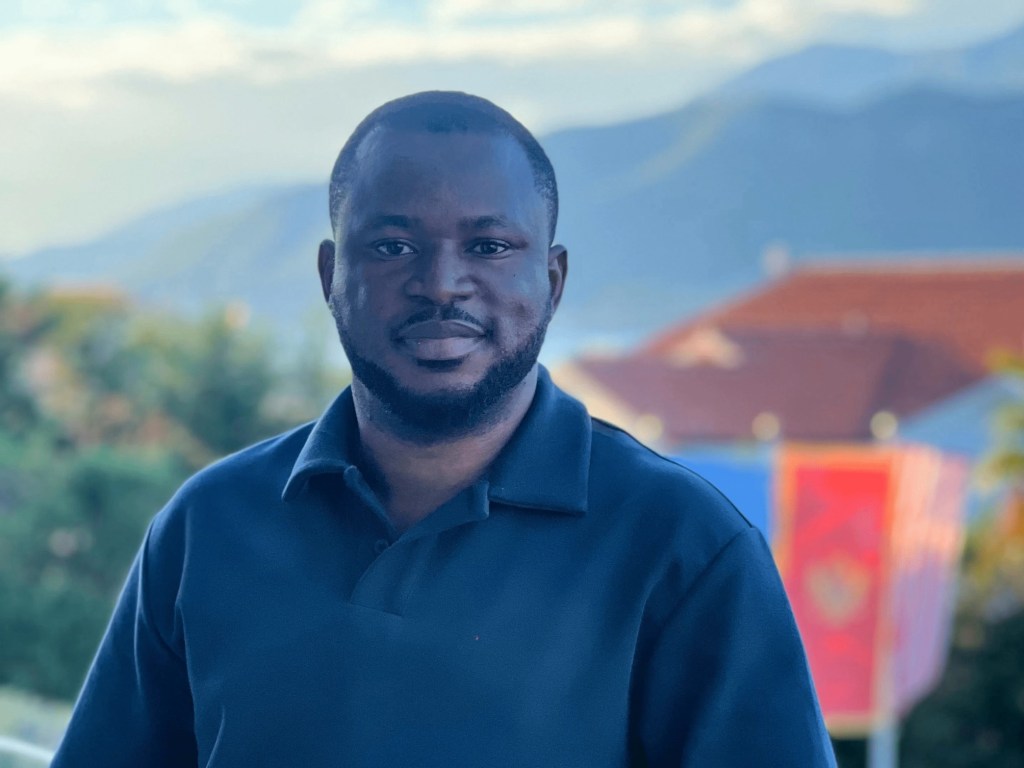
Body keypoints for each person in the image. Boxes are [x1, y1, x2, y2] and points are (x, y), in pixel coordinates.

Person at [52, 91, 836, 767]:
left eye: (488, 247)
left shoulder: (685, 547)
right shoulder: (208, 526)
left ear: (552, 280)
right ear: (330, 276)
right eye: (393, 247)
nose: (441, 283)